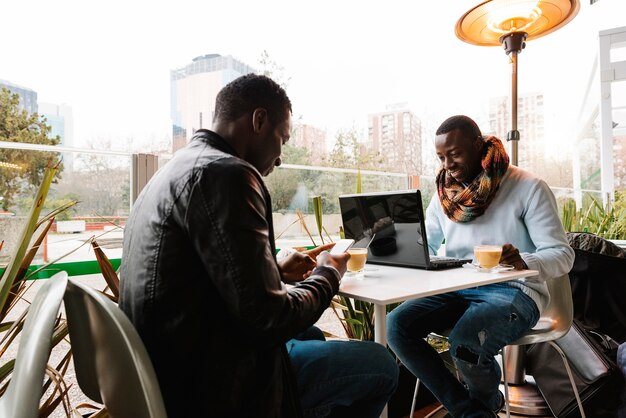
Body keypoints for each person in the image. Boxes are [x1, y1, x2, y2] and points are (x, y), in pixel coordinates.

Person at [119, 74, 398, 418]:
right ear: (259, 120)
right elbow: (270, 320)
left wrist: (275, 272)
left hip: (169, 367)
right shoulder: (227, 174)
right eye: (282, 138)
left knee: (312, 334)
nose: (280, 157)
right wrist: (329, 273)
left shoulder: (176, 169)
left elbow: (197, 279)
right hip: (211, 384)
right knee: (380, 364)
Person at [387, 115, 574, 418]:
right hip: (458, 288)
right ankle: (472, 412)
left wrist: (524, 260)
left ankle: (477, 409)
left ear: (478, 145)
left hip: (516, 291)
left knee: (465, 344)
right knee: (397, 327)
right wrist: (397, 250)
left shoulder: (528, 187)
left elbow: (562, 255)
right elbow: (428, 248)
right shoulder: (445, 196)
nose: (447, 164)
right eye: (440, 157)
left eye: (455, 154)